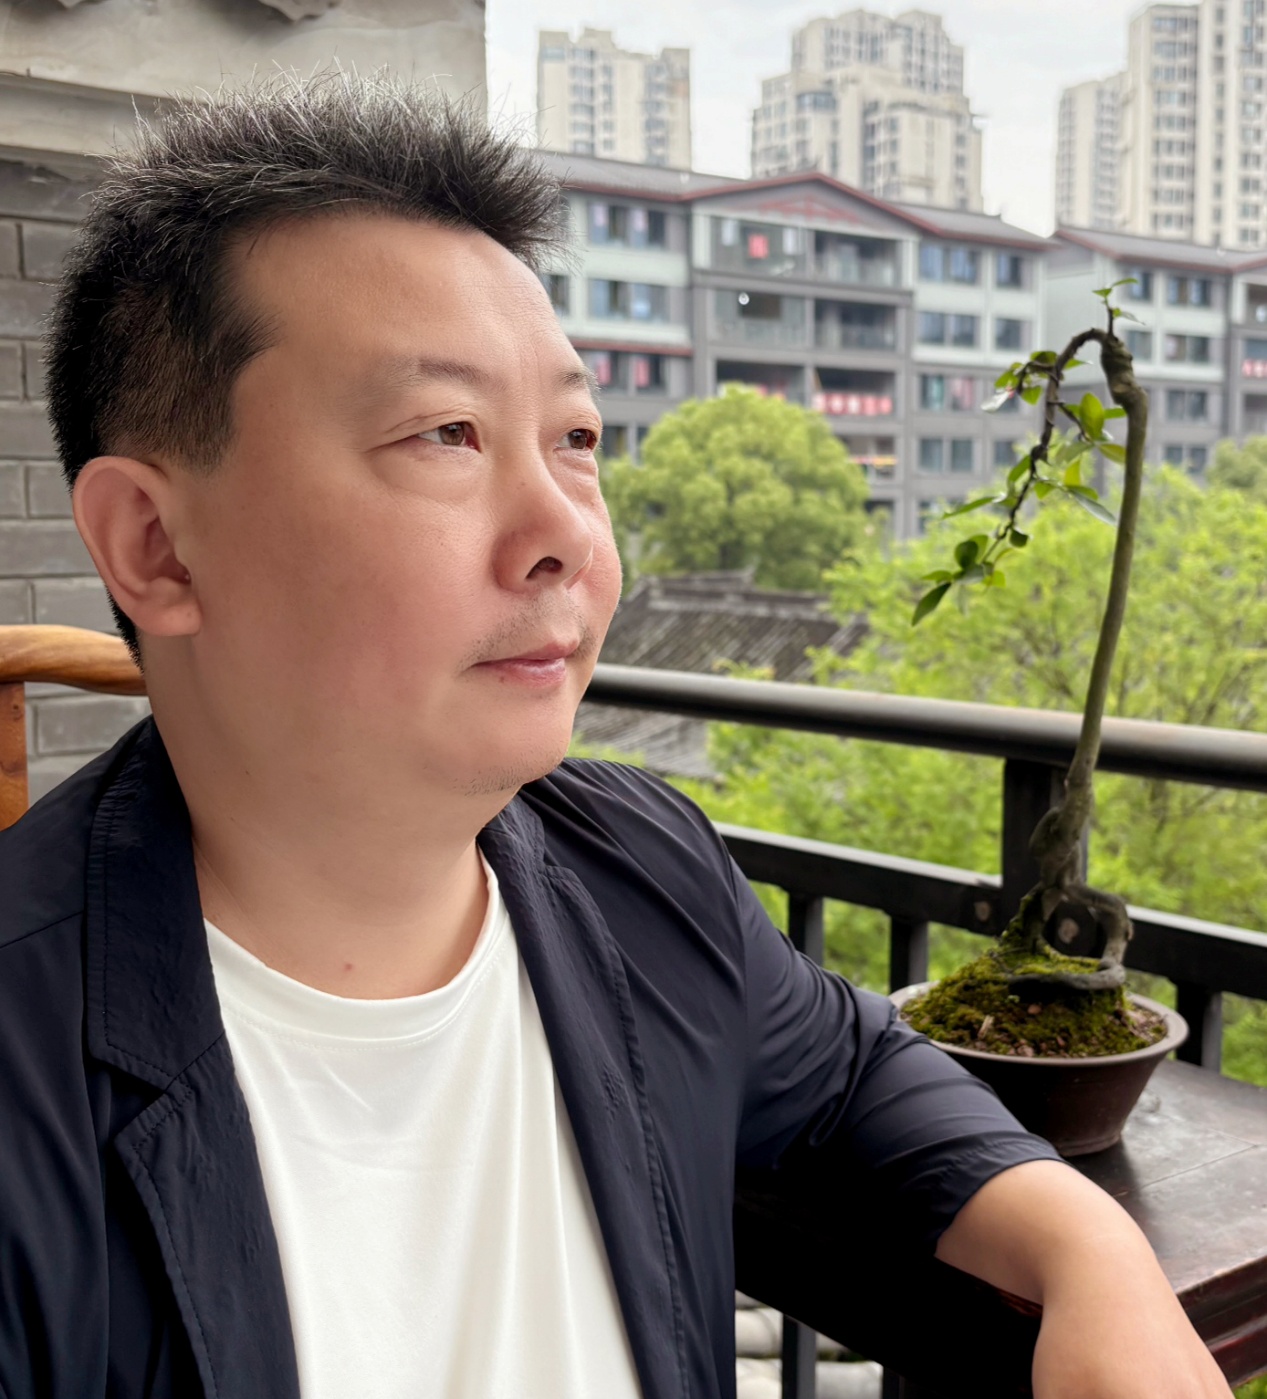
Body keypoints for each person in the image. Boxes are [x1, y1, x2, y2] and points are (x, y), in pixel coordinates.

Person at [0, 73, 1231, 1399]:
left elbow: (850, 1074)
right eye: (446, 434)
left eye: (577, 438)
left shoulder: (635, 865)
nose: (568, 536)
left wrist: (1089, 1250)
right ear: (157, 545)